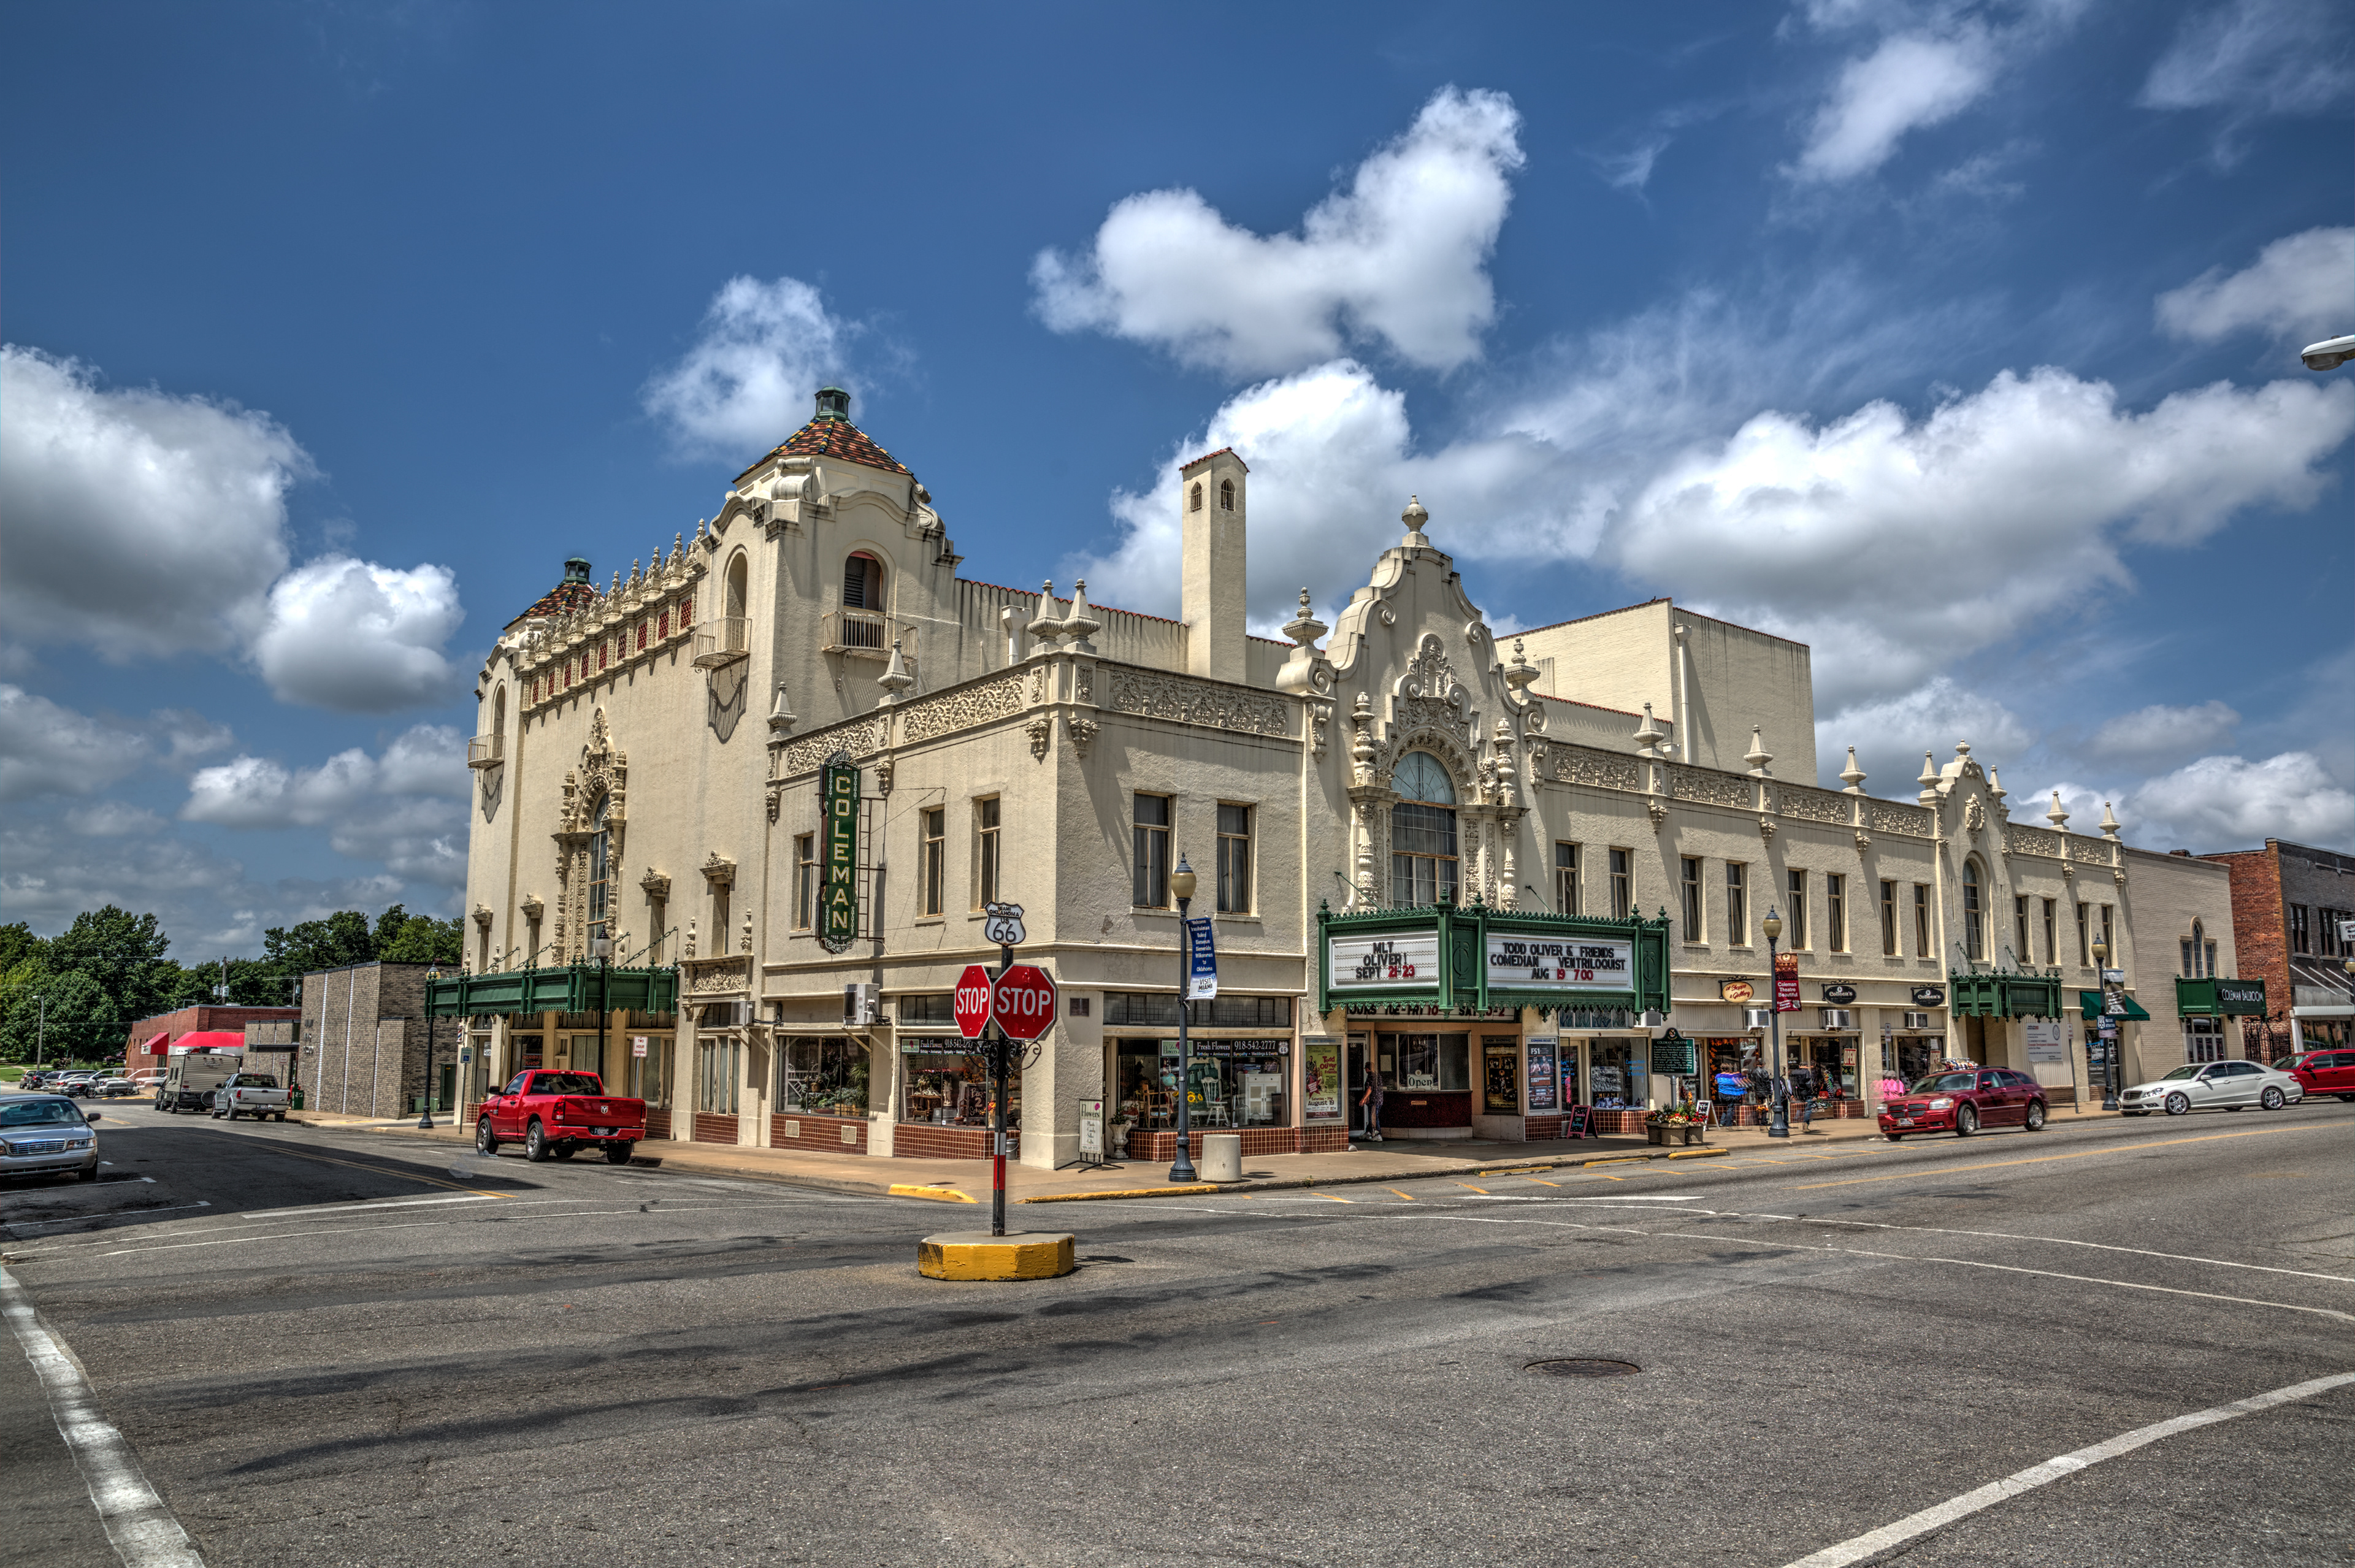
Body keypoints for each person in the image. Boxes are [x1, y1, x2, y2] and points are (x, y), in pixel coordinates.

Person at [1358, 1070, 1384, 1142]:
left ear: (1367, 1068)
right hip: (1379, 1099)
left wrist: (1364, 1099)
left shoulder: (1371, 1075)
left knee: (1374, 1117)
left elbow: (1370, 1088)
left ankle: (1377, 1134)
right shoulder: (1378, 1075)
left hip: (1374, 1100)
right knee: (1373, 1116)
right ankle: (1369, 1132)